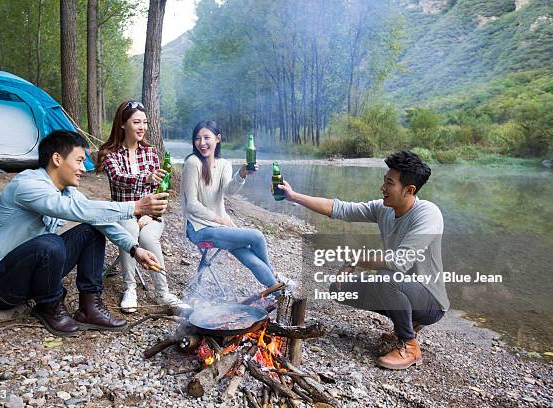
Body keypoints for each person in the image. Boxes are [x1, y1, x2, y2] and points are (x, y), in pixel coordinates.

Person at [0, 130, 169, 337]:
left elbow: (93, 215)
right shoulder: (27, 185)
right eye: (79, 161)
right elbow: (76, 210)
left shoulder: (65, 190)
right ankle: (49, 306)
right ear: (57, 159)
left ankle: (90, 308)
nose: (83, 168)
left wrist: (134, 249)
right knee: (50, 243)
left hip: (26, 275)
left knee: (91, 231)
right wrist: (134, 207)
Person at [278, 151, 448, 370]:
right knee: (338, 288)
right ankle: (407, 320)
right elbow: (342, 209)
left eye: (389, 183)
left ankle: (409, 344)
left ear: (409, 190)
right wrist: (294, 197)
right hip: (400, 287)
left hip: (430, 301)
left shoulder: (428, 214)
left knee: (386, 277)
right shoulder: (384, 209)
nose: (383, 188)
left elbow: (399, 263)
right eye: (384, 181)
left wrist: (355, 259)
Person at [97, 100, 184, 312]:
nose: (142, 127)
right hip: (123, 213)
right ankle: (130, 288)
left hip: (149, 216)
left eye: (144, 122)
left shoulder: (151, 153)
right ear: (123, 124)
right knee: (130, 228)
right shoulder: (110, 154)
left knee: (147, 236)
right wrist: (146, 178)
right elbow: (118, 178)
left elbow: (161, 192)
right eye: (136, 122)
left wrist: (152, 215)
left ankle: (163, 293)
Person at [180, 120, 282, 291]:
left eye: (207, 138)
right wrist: (219, 219)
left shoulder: (224, 164)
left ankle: (275, 289)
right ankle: (275, 280)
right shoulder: (193, 162)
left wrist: (242, 174)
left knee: (247, 255)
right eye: (198, 139)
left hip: (219, 227)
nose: (202, 143)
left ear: (217, 138)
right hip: (198, 229)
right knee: (256, 236)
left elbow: (229, 191)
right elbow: (192, 204)